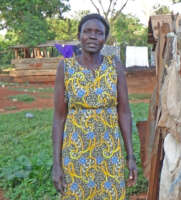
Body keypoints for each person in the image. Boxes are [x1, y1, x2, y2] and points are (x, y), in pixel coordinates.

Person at [51, 13, 137, 200]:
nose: (92, 36)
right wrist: (56, 164)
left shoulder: (114, 66)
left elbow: (124, 112)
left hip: (109, 151)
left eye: (98, 32)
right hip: (76, 152)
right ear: (79, 36)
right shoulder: (65, 67)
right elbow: (59, 117)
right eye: (87, 31)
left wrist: (130, 156)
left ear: (105, 39)